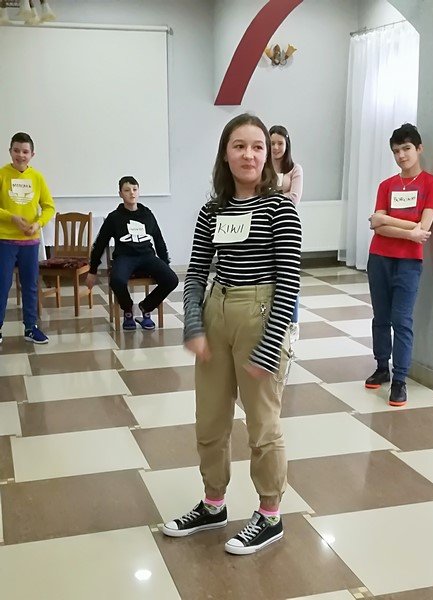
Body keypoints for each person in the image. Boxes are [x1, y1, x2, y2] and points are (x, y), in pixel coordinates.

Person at [162, 114, 302, 555]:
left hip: (261, 315)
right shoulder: (212, 211)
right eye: (239, 146)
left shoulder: (280, 208)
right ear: (225, 153)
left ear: (268, 155)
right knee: (210, 420)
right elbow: (195, 273)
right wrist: (194, 324)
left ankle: (270, 514)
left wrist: (270, 344)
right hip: (216, 313)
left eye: (258, 146)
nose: (250, 155)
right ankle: (213, 503)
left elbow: (289, 282)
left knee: (262, 424)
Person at [365, 123, 433, 406]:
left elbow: (424, 229)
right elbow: (377, 227)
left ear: (419, 149)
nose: (401, 156)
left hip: (409, 262)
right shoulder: (386, 185)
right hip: (379, 258)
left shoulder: (431, 185)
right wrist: (409, 229)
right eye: (396, 151)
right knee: (380, 317)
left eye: (406, 149)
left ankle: (400, 379)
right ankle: (381, 367)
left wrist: (386, 220)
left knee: (402, 320)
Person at [86, 176, 178, 330]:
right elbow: (100, 243)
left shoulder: (147, 214)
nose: (132, 193)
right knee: (116, 281)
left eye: (135, 189)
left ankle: (146, 307)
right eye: (127, 190)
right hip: (125, 257)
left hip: (147, 256)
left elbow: (159, 240)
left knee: (172, 279)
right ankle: (128, 309)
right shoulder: (114, 217)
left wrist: (165, 264)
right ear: (120, 194)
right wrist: (93, 270)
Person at [0, 132, 55, 345]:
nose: (20, 155)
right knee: (2, 285)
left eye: (25, 151)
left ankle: (31, 327)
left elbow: (49, 207)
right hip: (5, 240)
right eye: (16, 151)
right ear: (10, 152)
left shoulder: (37, 178)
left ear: (32, 154)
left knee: (31, 285)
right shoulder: (2, 174)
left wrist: (38, 223)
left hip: (30, 242)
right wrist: (11, 217)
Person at [270, 125, 303, 342]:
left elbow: (294, 199)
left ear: (287, 144)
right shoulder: (263, 167)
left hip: (287, 226)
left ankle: (293, 323)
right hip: (265, 228)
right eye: (272, 143)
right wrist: (280, 195)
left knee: (289, 276)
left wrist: (271, 197)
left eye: (280, 143)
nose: (276, 147)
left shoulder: (295, 169)